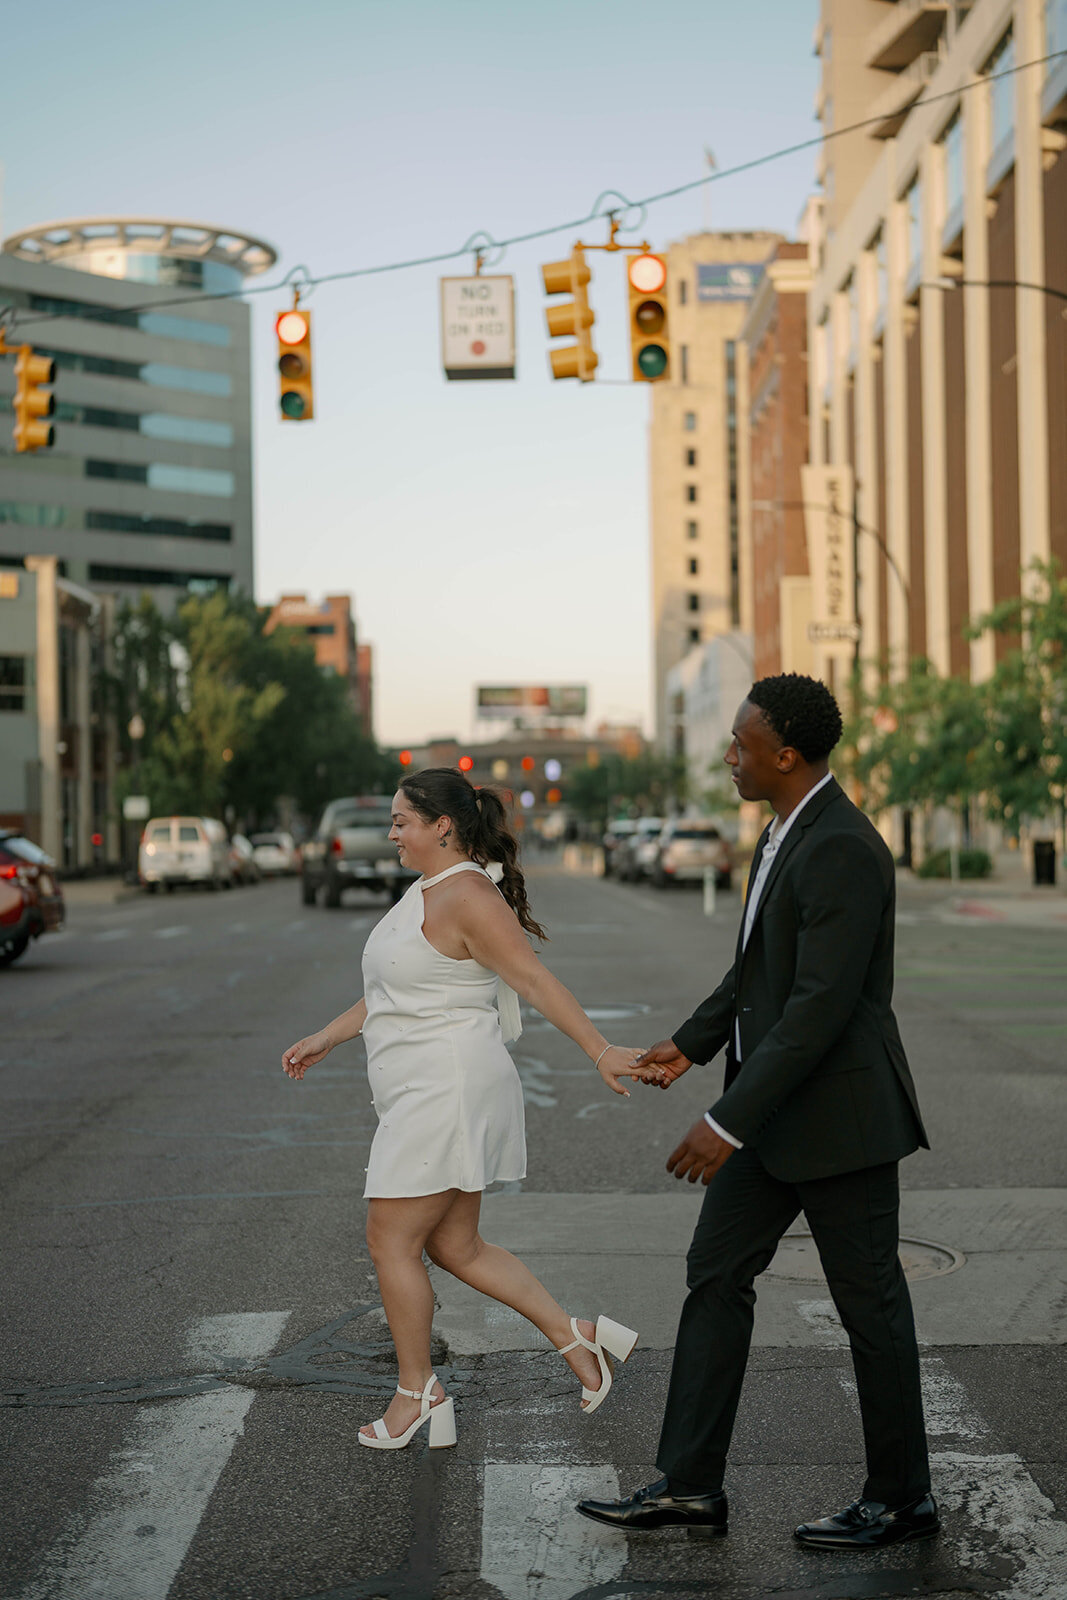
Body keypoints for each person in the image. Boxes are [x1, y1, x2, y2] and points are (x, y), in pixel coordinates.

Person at [576, 674, 938, 1550]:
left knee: (869, 1305)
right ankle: (691, 1485)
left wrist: (726, 1121)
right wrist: (688, 1044)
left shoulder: (843, 845)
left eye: (739, 744)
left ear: (785, 754)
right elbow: (755, 973)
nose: (727, 756)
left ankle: (900, 1499)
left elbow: (817, 1006)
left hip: (839, 1120)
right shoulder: (781, 831)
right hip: (773, 1118)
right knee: (714, 1274)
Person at [282, 767, 640, 1452]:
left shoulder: (469, 895)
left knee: (390, 1240)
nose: (389, 831)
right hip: (427, 1089)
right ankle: (579, 1340)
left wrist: (597, 1049)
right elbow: (397, 989)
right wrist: (326, 1034)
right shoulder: (427, 889)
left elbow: (531, 977)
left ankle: (417, 1391)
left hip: (446, 1091)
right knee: (454, 1245)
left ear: (440, 826)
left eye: (400, 820)